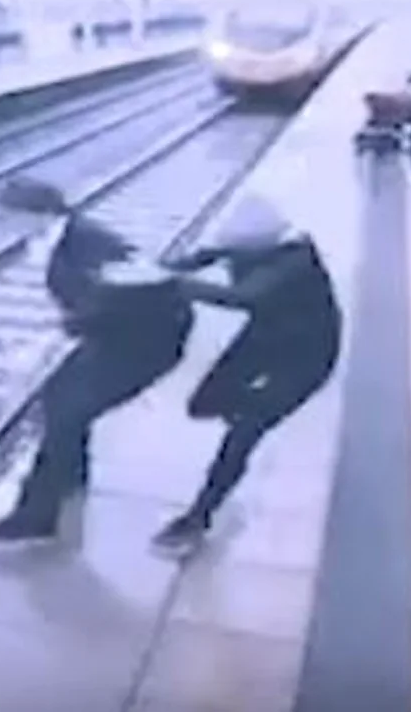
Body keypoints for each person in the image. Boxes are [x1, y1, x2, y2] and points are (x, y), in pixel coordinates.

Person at [0, 176, 196, 544]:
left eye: (9, 217)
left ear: (38, 213)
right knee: (58, 399)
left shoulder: (90, 245)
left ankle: (37, 515)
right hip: (116, 335)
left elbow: (118, 300)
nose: (4, 226)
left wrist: (52, 336)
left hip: (147, 345)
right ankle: (70, 478)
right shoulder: (60, 237)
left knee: (67, 413)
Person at [150, 192, 341, 558]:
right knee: (202, 404)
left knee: (243, 434)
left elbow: (244, 296)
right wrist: (159, 270)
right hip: (266, 337)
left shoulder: (294, 262)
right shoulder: (254, 245)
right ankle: (250, 413)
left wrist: (177, 287)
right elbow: (203, 257)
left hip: (306, 358)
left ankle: (198, 516)